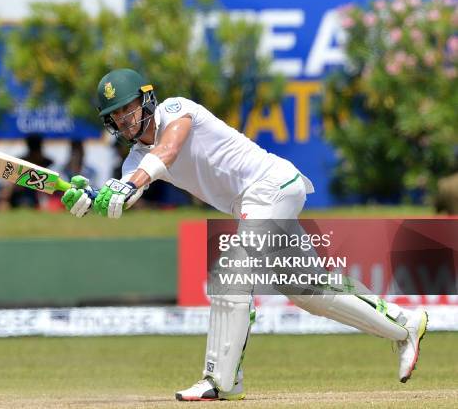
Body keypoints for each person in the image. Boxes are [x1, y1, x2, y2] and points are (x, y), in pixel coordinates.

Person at [60, 68, 428, 401]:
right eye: (117, 117)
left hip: (271, 185)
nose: (125, 122)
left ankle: (221, 379)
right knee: (308, 290)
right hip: (254, 202)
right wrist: (92, 198)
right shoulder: (134, 162)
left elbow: (168, 150)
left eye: (129, 110)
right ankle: (403, 325)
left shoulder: (175, 109)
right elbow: (123, 197)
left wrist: (129, 185)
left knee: (230, 273)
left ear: (146, 100)